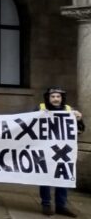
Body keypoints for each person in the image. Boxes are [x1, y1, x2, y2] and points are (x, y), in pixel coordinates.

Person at [37, 87, 84, 217]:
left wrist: (79, 119)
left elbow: (80, 130)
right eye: (53, 96)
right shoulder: (40, 109)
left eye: (58, 96)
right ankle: (46, 204)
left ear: (62, 98)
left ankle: (61, 206)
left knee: (63, 177)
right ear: (48, 98)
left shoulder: (69, 111)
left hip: (63, 151)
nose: (56, 99)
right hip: (45, 149)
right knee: (45, 177)